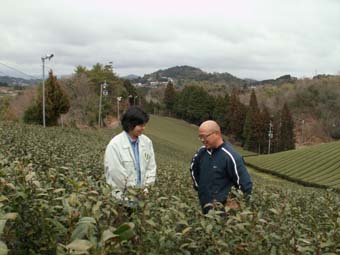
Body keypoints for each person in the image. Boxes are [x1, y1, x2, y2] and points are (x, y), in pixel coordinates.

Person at [190, 120, 252, 214]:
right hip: (205, 209)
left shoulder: (230, 156)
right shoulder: (201, 153)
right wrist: (201, 190)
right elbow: (193, 170)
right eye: (200, 137)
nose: (202, 140)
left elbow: (245, 185)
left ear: (216, 134)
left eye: (204, 136)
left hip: (223, 215)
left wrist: (233, 206)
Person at [104, 106, 156, 202]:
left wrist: (145, 189)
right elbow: (116, 173)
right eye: (140, 125)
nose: (143, 128)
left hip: (141, 199)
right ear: (130, 124)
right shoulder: (115, 145)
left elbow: (151, 168)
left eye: (144, 125)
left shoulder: (147, 142)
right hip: (121, 199)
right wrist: (134, 192)